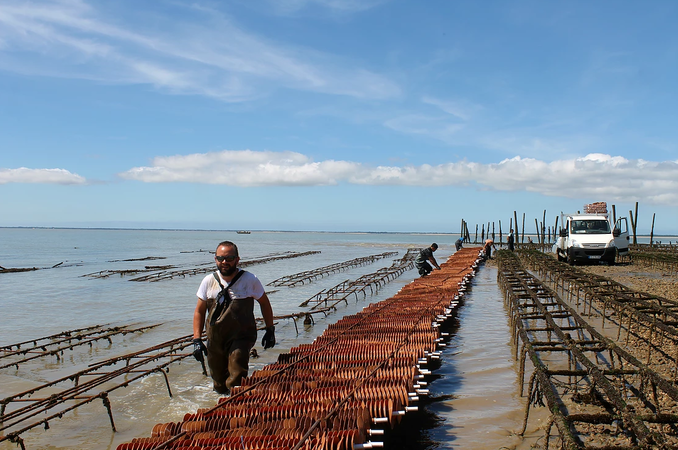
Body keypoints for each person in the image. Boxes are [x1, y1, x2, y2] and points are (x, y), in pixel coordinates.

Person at [192, 241, 276, 395]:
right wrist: (197, 339)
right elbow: (199, 311)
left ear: (237, 260)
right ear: (215, 259)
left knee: (237, 374)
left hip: (241, 337)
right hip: (215, 339)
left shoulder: (249, 280)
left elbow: (264, 303)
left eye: (229, 258)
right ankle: (221, 406)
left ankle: (237, 408)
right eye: (221, 258)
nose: (225, 262)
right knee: (218, 381)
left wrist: (270, 329)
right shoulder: (208, 281)